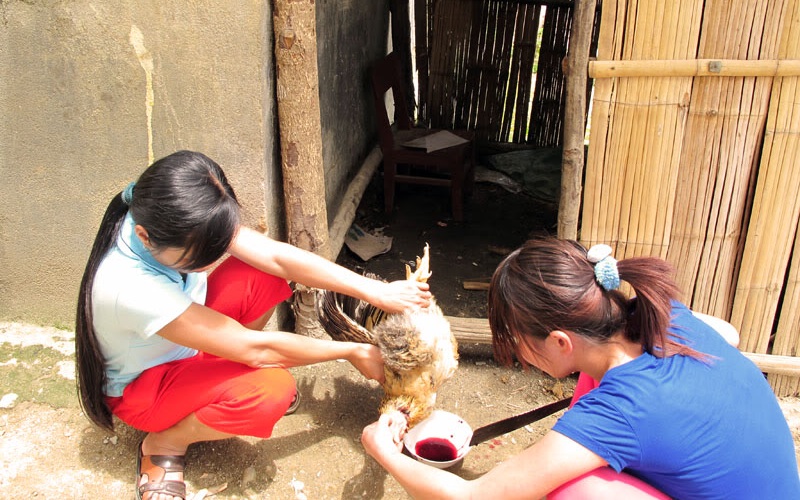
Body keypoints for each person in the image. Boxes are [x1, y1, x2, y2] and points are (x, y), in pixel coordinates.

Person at [75, 150, 431, 500]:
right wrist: (351, 351)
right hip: (147, 388)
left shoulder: (169, 215)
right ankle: (165, 441)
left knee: (260, 269)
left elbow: (277, 258)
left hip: (185, 343)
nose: (207, 266)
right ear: (144, 236)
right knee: (271, 389)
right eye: (197, 260)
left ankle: (225, 384)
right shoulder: (130, 287)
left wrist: (375, 290)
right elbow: (256, 348)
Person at [361, 237, 800, 499]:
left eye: (517, 340)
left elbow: (478, 496)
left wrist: (382, 449)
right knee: (593, 378)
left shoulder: (622, 412)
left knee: (574, 492)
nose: (516, 352)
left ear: (559, 342)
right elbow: (729, 334)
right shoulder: (663, 315)